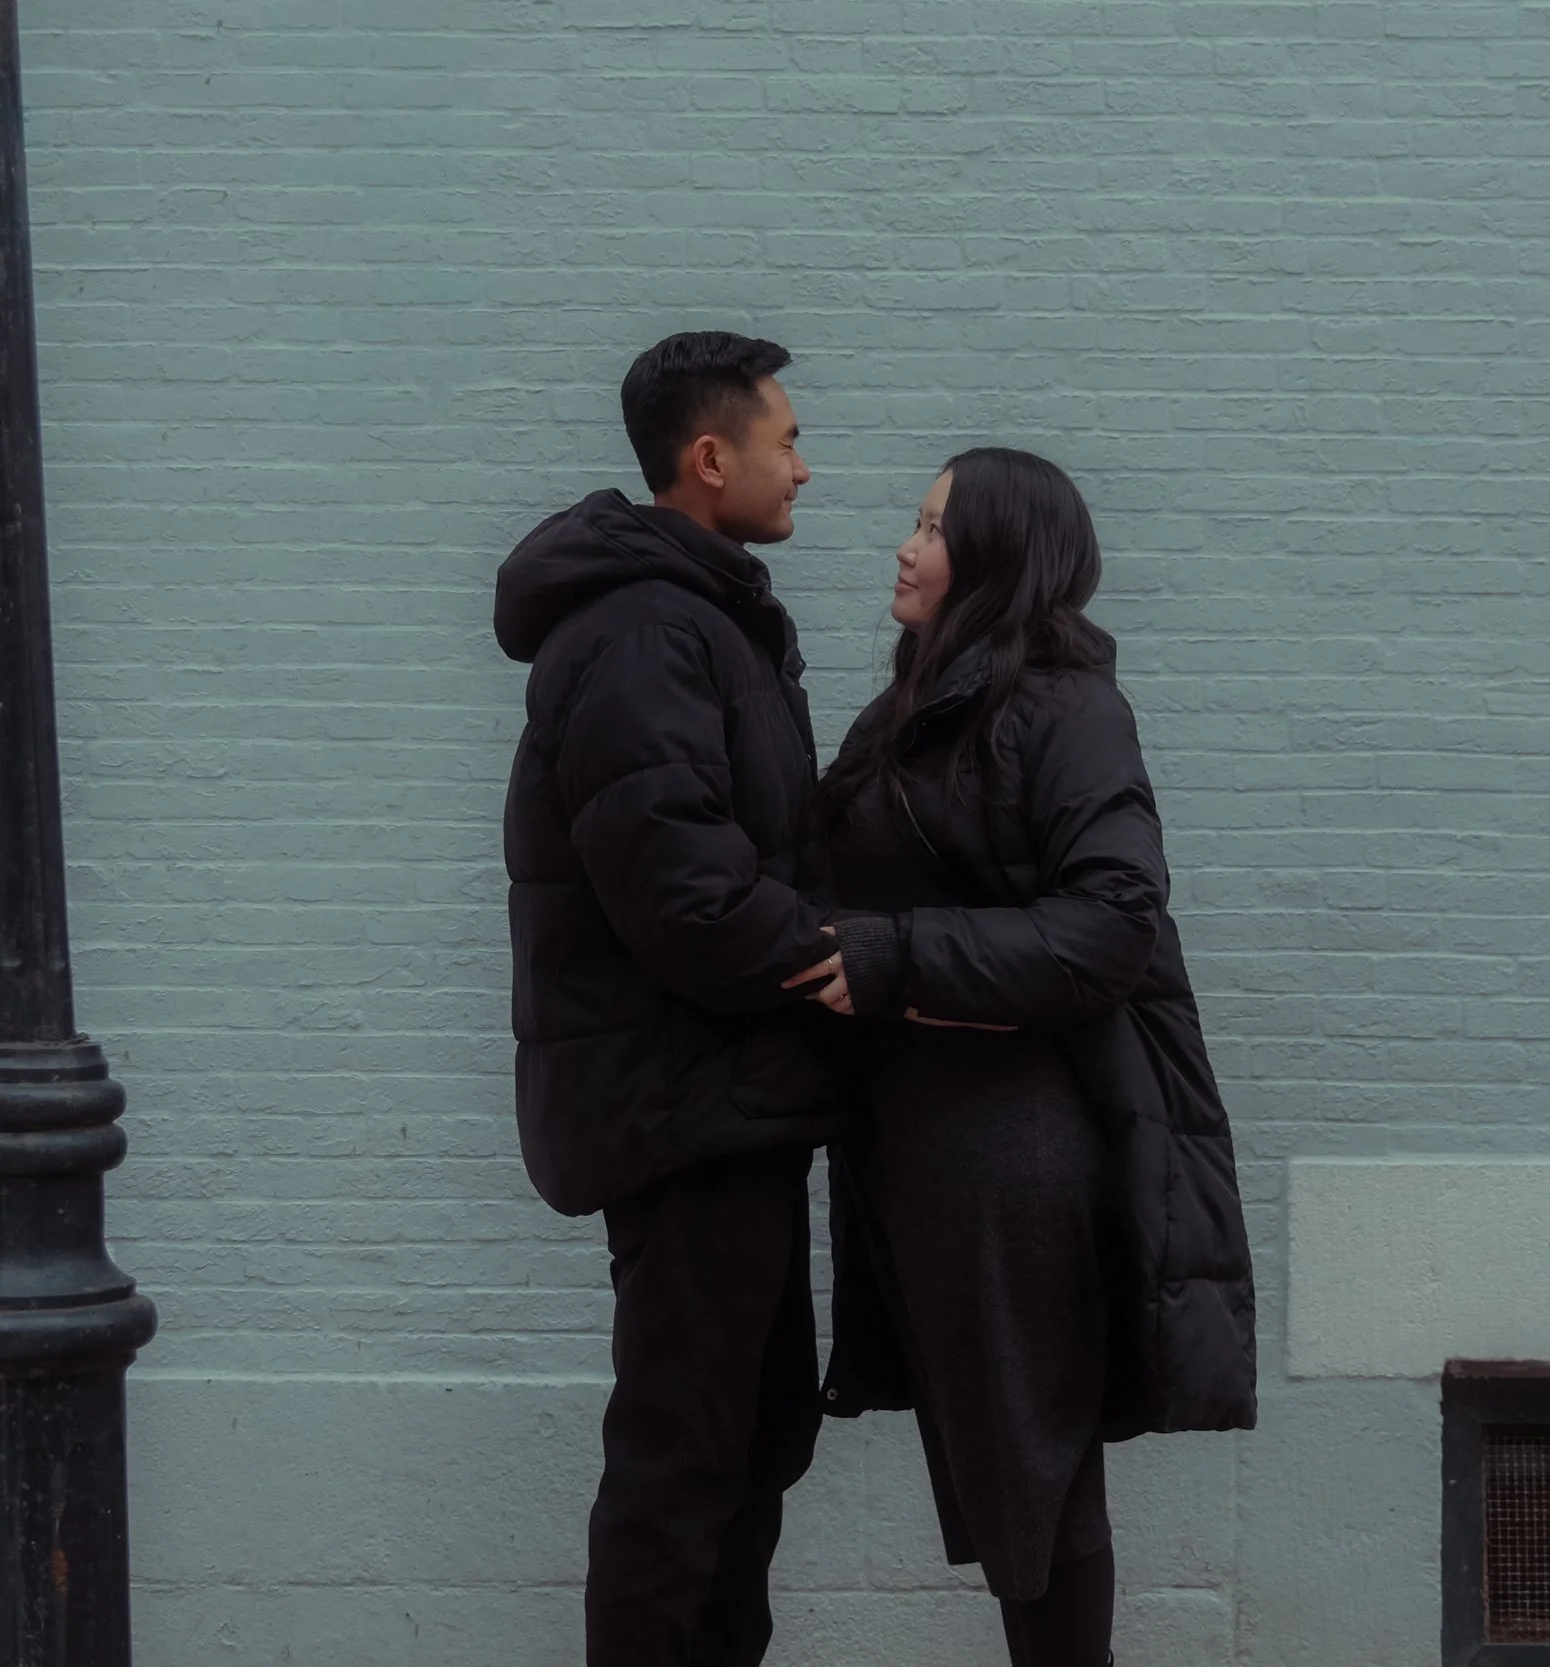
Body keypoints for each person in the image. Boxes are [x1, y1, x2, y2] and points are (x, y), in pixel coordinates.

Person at [786, 447, 1258, 1667]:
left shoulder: (1065, 709)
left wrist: (898, 960)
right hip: (923, 1152)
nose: (903, 543)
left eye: (934, 525)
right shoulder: (914, 713)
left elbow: (1111, 922)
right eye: (914, 518)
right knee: (1007, 1471)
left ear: (997, 558)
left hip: (1012, 1152)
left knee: (1035, 1477)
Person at [495, 331, 853, 1667]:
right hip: (687, 1109)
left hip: (731, 1105)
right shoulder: (649, 631)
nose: (805, 469)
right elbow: (686, 893)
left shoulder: (700, 619)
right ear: (711, 458)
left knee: (749, 1447)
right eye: (787, 438)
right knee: (683, 1465)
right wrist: (852, 957)